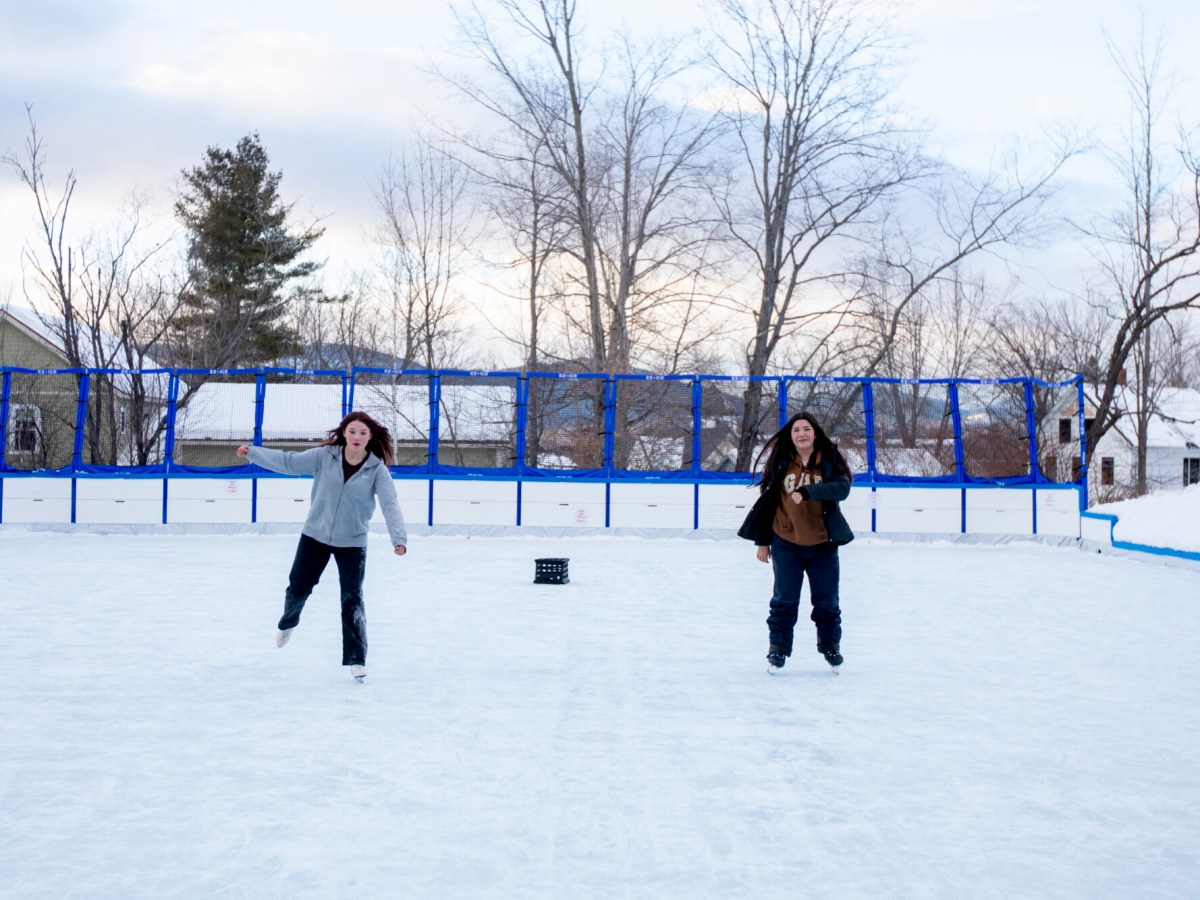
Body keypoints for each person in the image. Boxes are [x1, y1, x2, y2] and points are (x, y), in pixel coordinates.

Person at [236, 411, 407, 682]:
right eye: (352, 431)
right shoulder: (324, 456)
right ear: (344, 433)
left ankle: (357, 658)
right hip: (315, 536)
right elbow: (288, 462)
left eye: (363, 433)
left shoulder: (377, 470)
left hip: (352, 542)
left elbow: (390, 504)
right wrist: (253, 453)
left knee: (352, 600)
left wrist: (398, 538)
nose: (357, 437)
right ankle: (288, 623)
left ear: (370, 437)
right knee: (297, 589)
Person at [747, 412, 854, 673]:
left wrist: (808, 491)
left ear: (815, 433)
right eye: (796, 430)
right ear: (790, 436)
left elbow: (842, 489)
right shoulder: (781, 461)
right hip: (786, 542)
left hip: (822, 543)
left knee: (827, 601)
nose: (801, 434)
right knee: (784, 600)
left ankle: (830, 647)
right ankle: (778, 650)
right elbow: (767, 503)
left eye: (806, 429)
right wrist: (762, 541)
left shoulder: (828, 460)